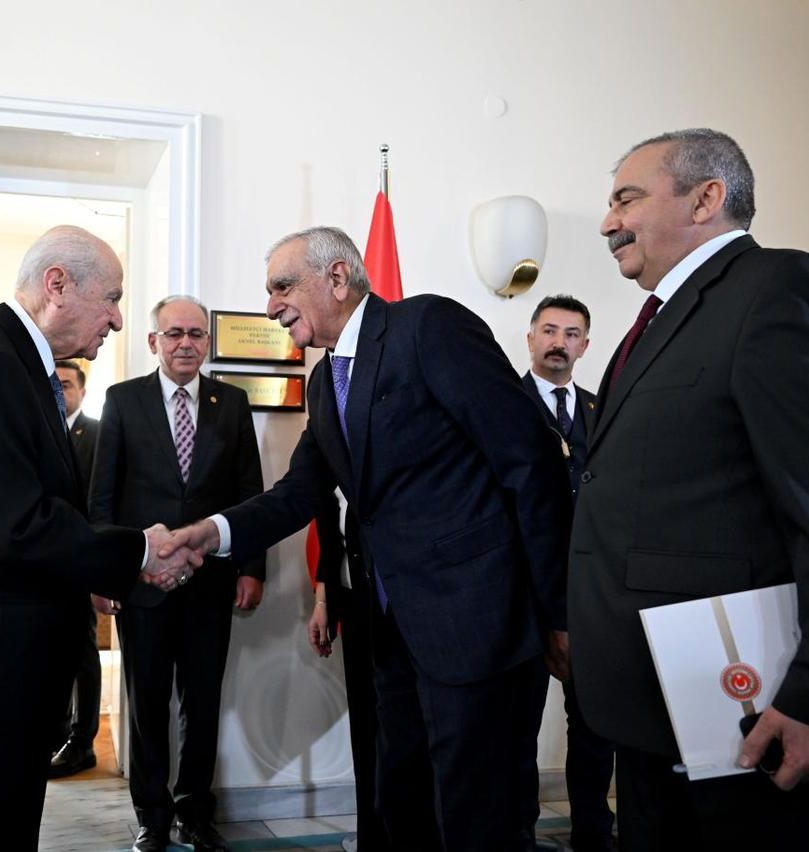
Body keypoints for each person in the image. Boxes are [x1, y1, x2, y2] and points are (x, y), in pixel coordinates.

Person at [162, 227, 572, 851]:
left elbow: (529, 460)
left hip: (476, 626)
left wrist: (558, 611)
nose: (270, 306)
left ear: (336, 277)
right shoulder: (328, 383)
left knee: (476, 815)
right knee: (400, 805)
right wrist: (209, 533)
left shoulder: (426, 326)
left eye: (281, 285)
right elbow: (298, 494)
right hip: (391, 634)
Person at [0, 225, 201, 852]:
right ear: (58, 285)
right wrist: (136, 552)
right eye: (111, 298)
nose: (118, 320)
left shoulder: (2, 358)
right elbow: (18, 523)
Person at [571, 128, 809, 850]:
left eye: (626, 198)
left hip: (756, 717)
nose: (609, 222)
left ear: (706, 198)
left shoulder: (781, 290)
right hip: (655, 710)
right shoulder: (659, 322)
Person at [89, 295, 265, 852]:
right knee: (146, 704)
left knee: (203, 701)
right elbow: (103, 497)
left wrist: (251, 567)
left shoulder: (231, 403)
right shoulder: (122, 400)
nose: (185, 343)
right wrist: (105, 573)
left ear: (207, 342)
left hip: (212, 583)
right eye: (174, 334)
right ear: (153, 342)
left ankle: (194, 811)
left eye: (195, 334)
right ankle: (152, 815)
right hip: (143, 585)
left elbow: (248, 494)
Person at [518, 295, 616, 851]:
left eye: (572, 333)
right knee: (519, 730)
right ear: (530, 338)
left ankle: (593, 835)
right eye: (550, 330)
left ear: (585, 345)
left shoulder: (603, 410)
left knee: (594, 728)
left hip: (591, 594)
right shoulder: (502, 403)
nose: (560, 342)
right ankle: (519, 836)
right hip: (523, 593)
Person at [306, 488, 392, 852]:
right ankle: (371, 836)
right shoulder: (331, 434)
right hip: (353, 599)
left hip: (405, 601)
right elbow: (328, 519)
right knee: (365, 728)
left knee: (405, 732)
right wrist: (323, 600)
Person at [49, 358, 103, 778]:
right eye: (54, 383)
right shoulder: (40, 429)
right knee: (52, 650)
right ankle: (56, 732)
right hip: (46, 563)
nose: (60, 391)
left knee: (84, 653)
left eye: (67, 384)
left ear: (82, 391)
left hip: (84, 558)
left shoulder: (98, 433)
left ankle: (83, 740)